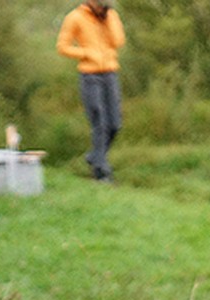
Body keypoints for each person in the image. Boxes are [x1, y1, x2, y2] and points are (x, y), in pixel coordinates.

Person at [57, 0, 126, 182]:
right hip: (90, 76)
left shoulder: (111, 15)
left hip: (110, 73)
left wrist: (107, 18)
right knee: (99, 121)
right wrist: (86, 53)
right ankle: (101, 172)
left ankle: (95, 155)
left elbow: (118, 41)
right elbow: (62, 47)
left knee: (115, 124)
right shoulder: (75, 17)